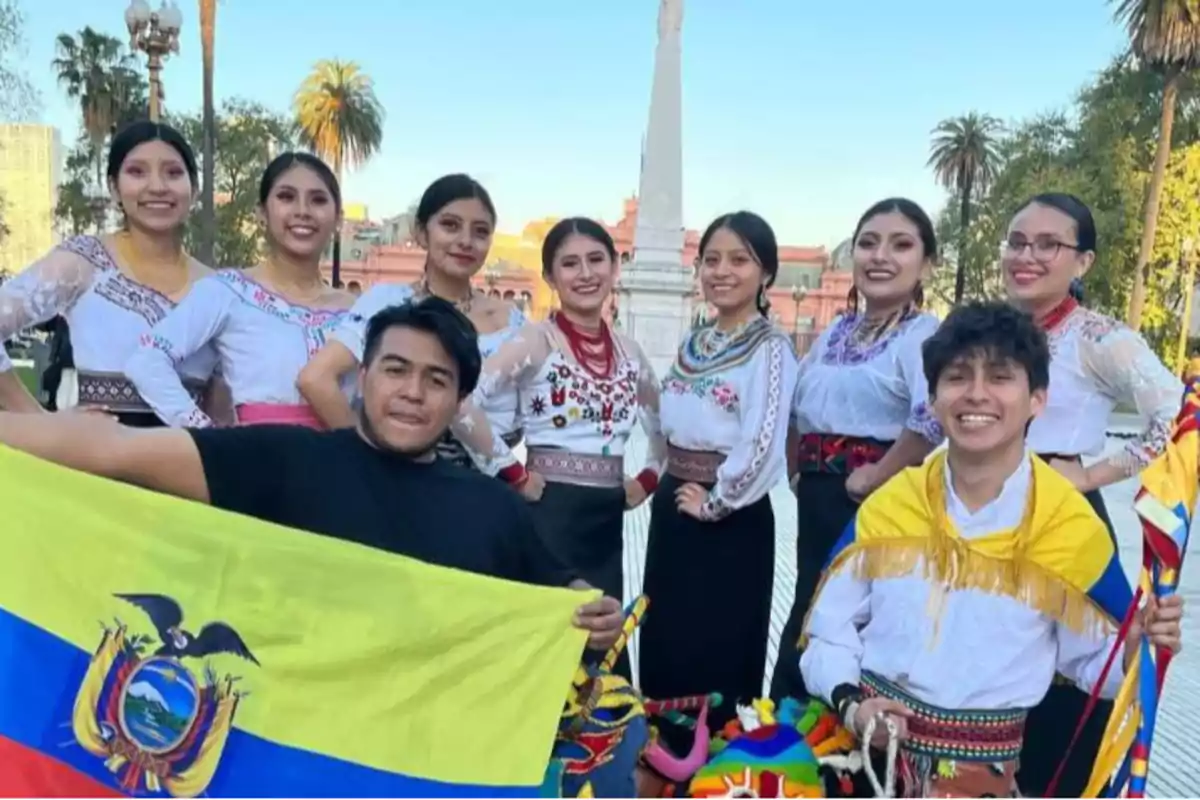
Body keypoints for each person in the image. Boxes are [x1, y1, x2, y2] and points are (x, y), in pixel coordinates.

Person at [0, 298, 623, 650]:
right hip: (286, 741)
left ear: (460, 399)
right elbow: (111, 453)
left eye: (436, 380)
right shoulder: (283, 461)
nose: (412, 393)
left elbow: (561, 595)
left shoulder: (494, 508)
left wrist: (590, 618)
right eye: (395, 370)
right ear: (363, 378)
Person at [799, 301, 1184, 799]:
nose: (976, 394)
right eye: (957, 377)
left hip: (986, 782)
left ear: (1037, 399)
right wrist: (852, 703)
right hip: (868, 767)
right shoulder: (891, 507)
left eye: (1000, 377)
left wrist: (1138, 647)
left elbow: (1094, 668)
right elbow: (826, 631)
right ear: (934, 399)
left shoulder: (1066, 526)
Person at [1000, 192, 1182, 796]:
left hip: (1064, 520)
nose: (1027, 256)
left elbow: (1174, 415)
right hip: (984, 513)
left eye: (1048, 244)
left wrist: (1089, 474)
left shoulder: (1100, 338)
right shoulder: (990, 332)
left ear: (1083, 262)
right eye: (1018, 242)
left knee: (1071, 675)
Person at [447, 218, 665, 679]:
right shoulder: (535, 341)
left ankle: (604, 744)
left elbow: (666, 425)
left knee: (603, 646)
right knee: (550, 645)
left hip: (606, 520)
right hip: (550, 513)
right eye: (569, 263)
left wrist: (646, 481)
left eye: (595, 260)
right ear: (550, 277)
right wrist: (513, 473)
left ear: (615, 267)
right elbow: (460, 402)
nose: (585, 273)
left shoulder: (629, 352)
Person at [771, 198, 944, 702]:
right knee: (811, 604)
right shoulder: (836, 333)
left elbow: (932, 416)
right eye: (868, 243)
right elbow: (798, 406)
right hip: (820, 498)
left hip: (876, 504)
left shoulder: (923, 335)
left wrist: (877, 475)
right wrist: (796, 467)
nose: (879, 256)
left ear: (926, 264)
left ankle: (848, 735)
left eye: (901, 244)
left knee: (854, 616)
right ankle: (789, 735)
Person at [637, 211, 799, 747]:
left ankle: (717, 767)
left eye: (738, 260)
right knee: (666, 639)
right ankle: (660, 761)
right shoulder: (694, 342)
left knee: (720, 647)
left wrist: (716, 501)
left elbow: (763, 437)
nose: (721, 271)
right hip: (675, 510)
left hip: (729, 521)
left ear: (766, 274)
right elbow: (662, 419)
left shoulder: (771, 349)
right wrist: (662, 477)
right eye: (711, 259)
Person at [298, 174, 525, 466]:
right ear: (421, 233)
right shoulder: (388, 302)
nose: (465, 241)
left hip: (490, 488)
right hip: (400, 481)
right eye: (450, 225)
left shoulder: (512, 322)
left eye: (480, 232)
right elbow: (315, 379)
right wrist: (367, 460)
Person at [0, 121, 219, 423]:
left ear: (194, 189)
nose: (157, 186)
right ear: (114, 187)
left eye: (173, 172)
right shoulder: (84, 263)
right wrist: (38, 419)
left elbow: (222, 405)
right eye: (137, 172)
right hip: (93, 461)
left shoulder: (217, 288)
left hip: (192, 462)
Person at [125, 152, 354, 429]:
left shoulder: (356, 310)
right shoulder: (229, 292)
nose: (302, 211)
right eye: (286, 197)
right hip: (259, 461)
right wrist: (209, 437)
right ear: (261, 213)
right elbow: (147, 361)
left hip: (342, 462)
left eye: (318, 200)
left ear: (338, 218)